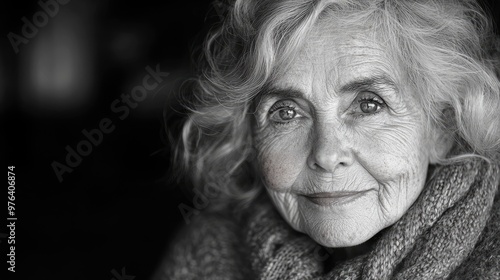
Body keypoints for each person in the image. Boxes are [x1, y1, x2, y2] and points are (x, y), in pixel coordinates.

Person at [155, 0, 500, 279]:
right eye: (286, 112)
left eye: (368, 104)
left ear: (441, 128)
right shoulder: (205, 255)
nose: (326, 154)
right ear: (249, 137)